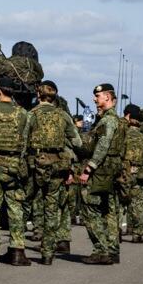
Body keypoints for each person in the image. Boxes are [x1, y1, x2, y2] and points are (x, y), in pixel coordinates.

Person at [27, 81, 83, 265]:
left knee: (33, 204)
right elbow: (77, 142)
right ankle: (48, 251)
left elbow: (22, 140)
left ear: (38, 94)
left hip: (36, 165)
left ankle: (29, 244)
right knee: (52, 208)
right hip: (57, 166)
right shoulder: (63, 116)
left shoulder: (31, 115)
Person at [78, 83, 126, 265]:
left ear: (107, 97)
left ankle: (101, 250)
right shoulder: (117, 121)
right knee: (109, 210)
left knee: (90, 208)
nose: (94, 99)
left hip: (102, 171)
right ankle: (112, 250)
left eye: (97, 96)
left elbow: (103, 145)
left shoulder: (108, 121)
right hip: (112, 170)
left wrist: (89, 168)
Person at [0, 77, 32, 267]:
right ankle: (17, 251)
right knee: (16, 208)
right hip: (14, 166)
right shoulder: (23, 114)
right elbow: (26, 140)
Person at [120, 105, 143, 244]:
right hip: (139, 174)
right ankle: (137, 234)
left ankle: (116, 232)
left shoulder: (122, 136)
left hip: (123, 173)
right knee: (137, 205)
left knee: (120, 204)